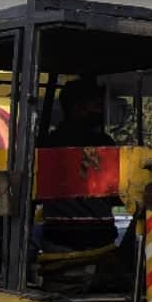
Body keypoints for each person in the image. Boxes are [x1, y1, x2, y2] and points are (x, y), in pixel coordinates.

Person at [39, 79, 118, 252]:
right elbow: (117, 193)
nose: (101, 111)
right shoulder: (103, 144)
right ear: (78, 108)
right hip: (101, 239)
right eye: (96, 105)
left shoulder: (47, 144)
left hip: (57, 239)